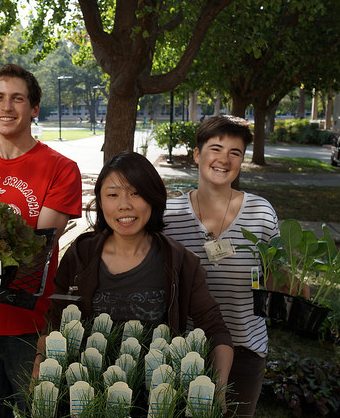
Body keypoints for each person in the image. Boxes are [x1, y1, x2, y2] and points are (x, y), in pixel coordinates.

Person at [38, 151, 233, 398]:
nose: (124, 205)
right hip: (85, 398)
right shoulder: (80, 254)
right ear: (100, 200)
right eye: (113, 194)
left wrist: (219, 391)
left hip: (156, 401)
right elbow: (54, 324)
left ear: (153, 198)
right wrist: (40, 377)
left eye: (136, 193)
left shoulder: (179, 261)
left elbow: (216, 330)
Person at [0, 63, 82, 417]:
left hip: (30, 325)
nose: (6, 107)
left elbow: (37, 249)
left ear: (34, 109)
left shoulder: (60, 169)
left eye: (18, 99)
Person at [163, 115, 277, 417]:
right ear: (197, 154)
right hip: (182, 346)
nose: (224, 159)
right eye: (215, 148)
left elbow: (275, 275)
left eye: (235, 152)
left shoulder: (261, 212)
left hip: (244, 348)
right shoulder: (169, 215)